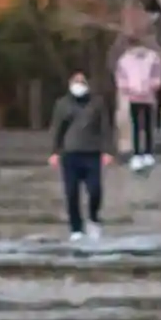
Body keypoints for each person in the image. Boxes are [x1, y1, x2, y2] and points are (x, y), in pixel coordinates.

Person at [49, 70, 114, 242]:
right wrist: (54, 151)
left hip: (92, 153)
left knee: (95, 190)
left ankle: (93, 217)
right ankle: (76, 228)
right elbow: (57, 128)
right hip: (70, 153)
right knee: (71, 192)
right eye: (76, 82)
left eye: (82, 82)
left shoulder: (97, 103)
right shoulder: (62, 104)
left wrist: (107, 150)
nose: (79, 86)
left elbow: (105, 127)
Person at [116, 39, 161, 172]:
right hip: (133, 97)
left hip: (149, 96)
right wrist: (128, 89)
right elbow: (121, 78)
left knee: (148, 125)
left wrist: (152, 86)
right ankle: (137, 153)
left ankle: (148, 152)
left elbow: (158, 75)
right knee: (136, 126)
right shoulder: (124, 60)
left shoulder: (152, 57)